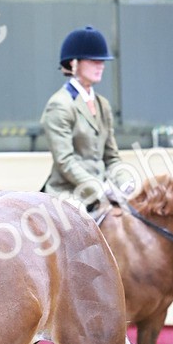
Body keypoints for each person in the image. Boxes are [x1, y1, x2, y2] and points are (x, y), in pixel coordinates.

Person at [40, 25, 132, 212]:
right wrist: (100, 189)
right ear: (73, 64)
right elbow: (65, 162)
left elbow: (111, 157)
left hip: (103, 190)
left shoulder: (103, 105)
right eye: (93, 60)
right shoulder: (60, 104)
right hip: (70, 193)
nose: (101, 65)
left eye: (102, 61)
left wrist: (125, 183)